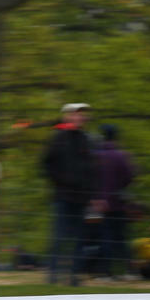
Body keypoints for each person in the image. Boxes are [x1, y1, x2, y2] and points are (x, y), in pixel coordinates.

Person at [42, 103, 103, 285]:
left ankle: (74, 274)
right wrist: (60, 181)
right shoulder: (58, 138)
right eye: (77, 114)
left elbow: (92, 169)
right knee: (59, 235)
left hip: (82, 196)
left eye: (82, 115)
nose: (81, 118)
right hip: (63, 195)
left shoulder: (86, 139)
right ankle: (53, 273)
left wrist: (93, 194)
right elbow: (47, 164)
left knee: (79, 237)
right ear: (68, 116)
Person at [96, 124, 135, 279]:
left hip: (100, 203)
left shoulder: (96, 156)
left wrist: (98, 196)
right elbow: (130, 176)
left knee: (105, 237)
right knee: (122, 237)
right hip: (118, 202)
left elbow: (91, 178)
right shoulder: (121, 155)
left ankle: (106, 272)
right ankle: (128, 270)